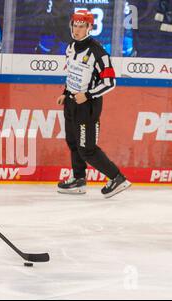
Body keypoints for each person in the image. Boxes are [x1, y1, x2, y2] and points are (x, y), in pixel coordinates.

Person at [56, 10, 131, 199]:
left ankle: (117, 178)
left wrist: (88, 95)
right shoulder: (71, 47)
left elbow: (109, 82)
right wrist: (65, 93)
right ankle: (78, 179)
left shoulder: (98, 52)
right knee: (73, 142)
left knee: (87, 149)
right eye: (75, 25)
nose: (77, 29)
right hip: (71, 102)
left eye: (81, 26)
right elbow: (72, 73)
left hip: (87, 106)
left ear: (90, 27)